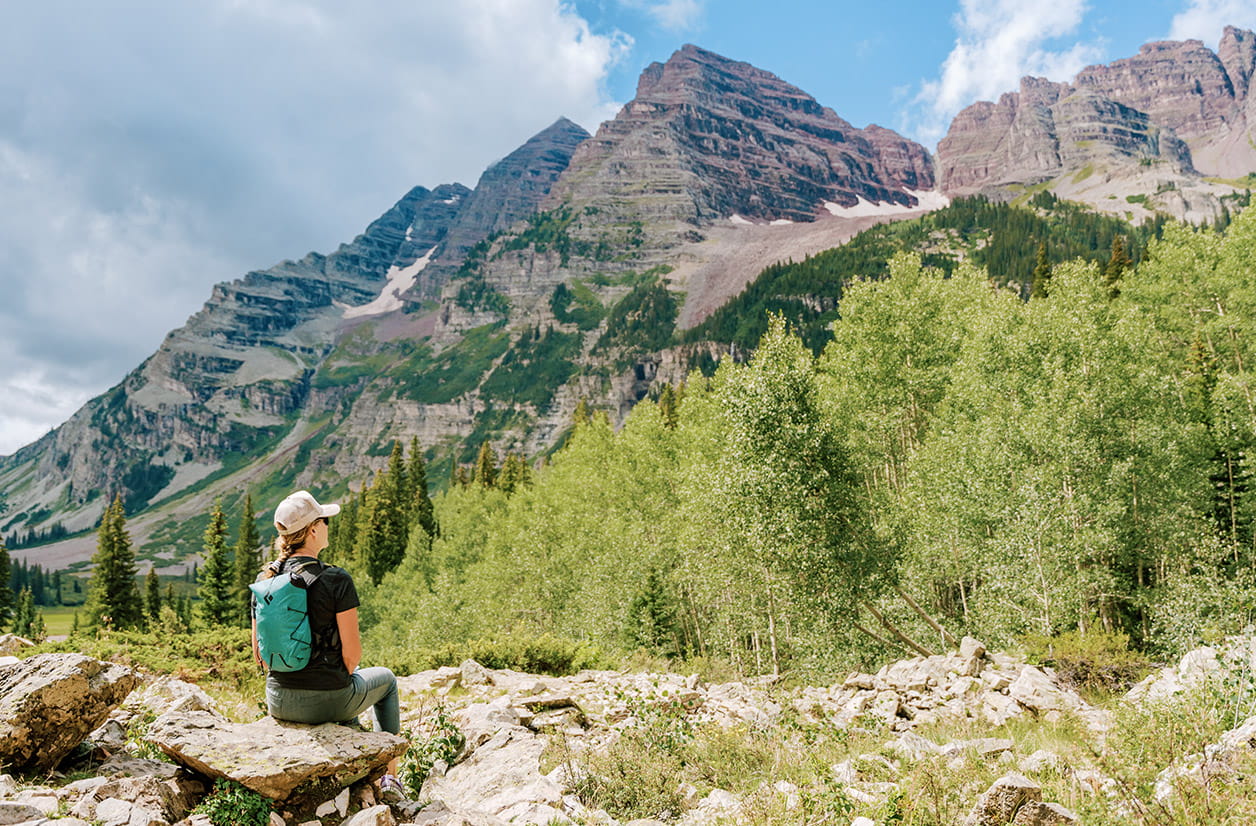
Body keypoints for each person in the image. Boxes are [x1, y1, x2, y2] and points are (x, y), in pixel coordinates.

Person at [251, 489, 404, 797]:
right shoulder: (336, 579)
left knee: (346, 685)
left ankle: (355, 757)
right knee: (385, 681)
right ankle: (388, 778)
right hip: (327, 702)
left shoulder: (265, 580)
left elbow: (260, 656)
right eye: (325, 521)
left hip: (279, 701)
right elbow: (352, 656)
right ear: (313, 530)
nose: (328, 527)